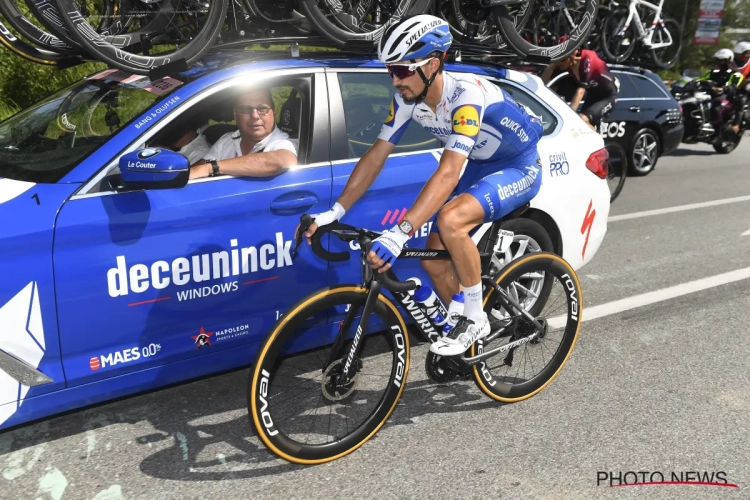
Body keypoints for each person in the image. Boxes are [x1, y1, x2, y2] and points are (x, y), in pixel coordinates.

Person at [301, 14, 544, 356]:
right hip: (480, 165)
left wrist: (400, 233)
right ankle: (468, 341)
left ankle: (476, 317)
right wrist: (335, 210)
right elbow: (375, 157)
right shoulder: (406, 100)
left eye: (400, 70)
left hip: (519, 166)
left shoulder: (466, 98)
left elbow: (447, 173)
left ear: (431, 65)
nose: (394, 80)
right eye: (389, 71)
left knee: (451, 220)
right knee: (433, 263)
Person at [189, 88, 298, 179]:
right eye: (246, 109)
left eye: (262, 108)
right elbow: (199, 169)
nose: (255, 115)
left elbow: (279, 162)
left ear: (273, 113)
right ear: (235, 115)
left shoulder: (285, 142)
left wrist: (212, 167)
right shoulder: (227, 140)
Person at [541, 40, 618, 131]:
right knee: (581, 126)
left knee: (581, 120)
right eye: (557, 58)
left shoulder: (587, 58)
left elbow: (580, 92)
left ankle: (599, 144)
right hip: (592, 95)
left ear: (573, 54)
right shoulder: (567, 64)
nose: (560, 63)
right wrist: (552, 64)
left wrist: (567, 118)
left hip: (607, 96)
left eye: (562, 59)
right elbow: (542, 83)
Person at [696, 48, 745, 135]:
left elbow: (734, 86)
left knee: (716, 109)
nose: (719, 62)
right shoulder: (714, 71)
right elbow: (701, 79)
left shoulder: (736, 73)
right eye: (718, 60)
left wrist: (723, 88)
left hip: (727, 97)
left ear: (728, 60)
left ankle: (717, 134)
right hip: (711, 94)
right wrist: (691, 82)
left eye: (722, 60)